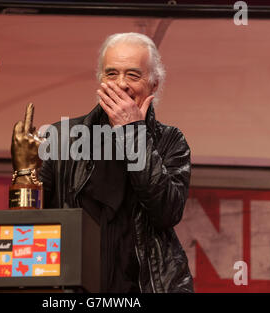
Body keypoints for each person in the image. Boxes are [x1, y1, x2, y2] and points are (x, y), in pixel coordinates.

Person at [39, 32, 193, 292]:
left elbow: (167, 212)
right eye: (111, 74)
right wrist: (23, 171)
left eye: (133, 75)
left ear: (154, 84)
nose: (121, 84)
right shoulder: (63, 137)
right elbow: (34, 226)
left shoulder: (170, 141)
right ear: (100, 80)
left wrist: (132, 133)